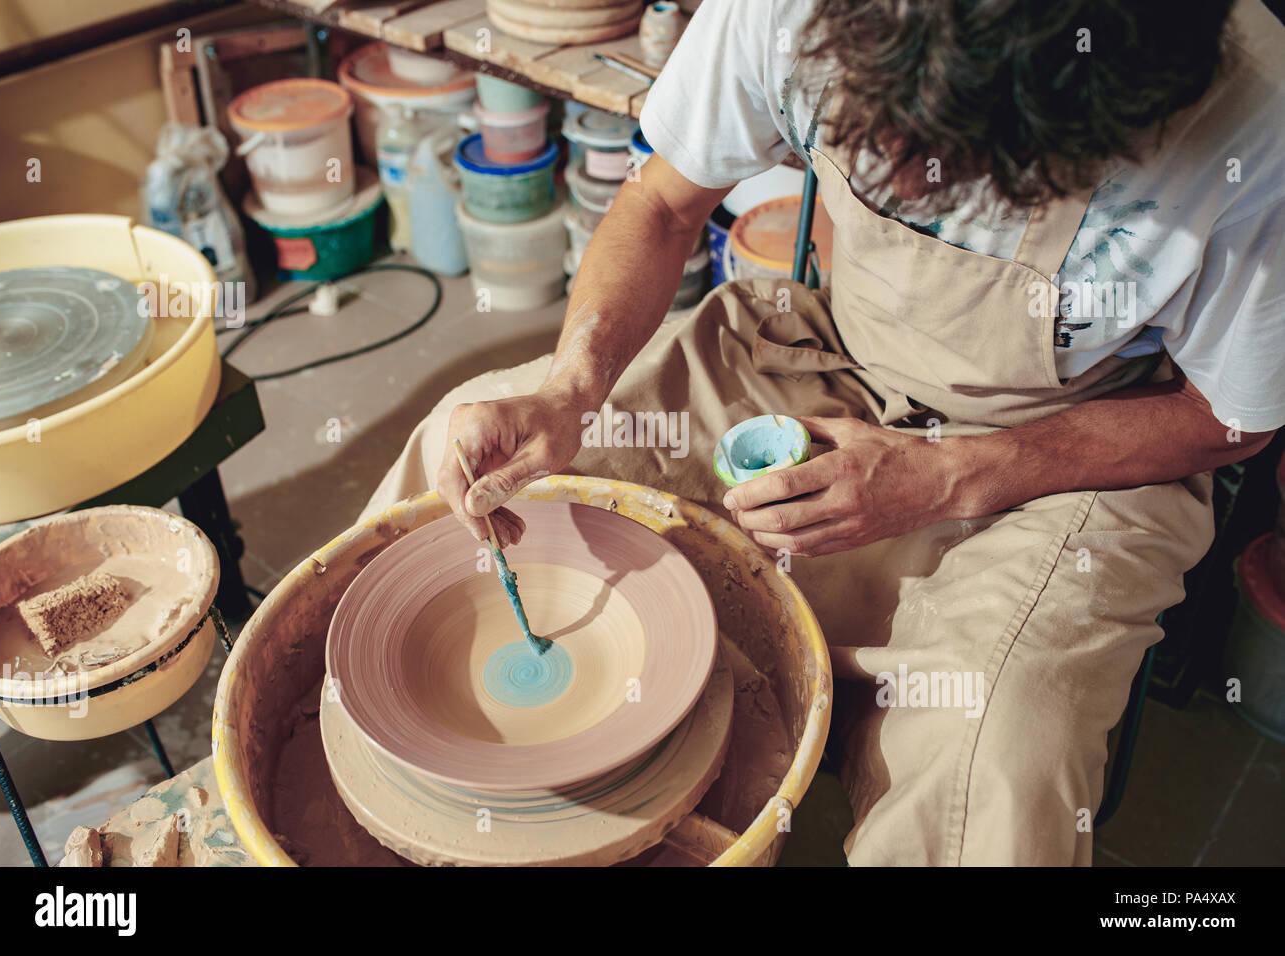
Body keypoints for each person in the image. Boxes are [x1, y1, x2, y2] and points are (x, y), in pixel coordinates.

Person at [363, 0, 1285, 864]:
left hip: (1071, 446)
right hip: (822, 353)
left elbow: (1232, 419)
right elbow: (661, 201)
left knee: (997, 756)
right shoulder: (796, 10)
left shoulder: (1250, 114)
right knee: (460, 464)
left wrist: (951, 476)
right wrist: (573, 384)